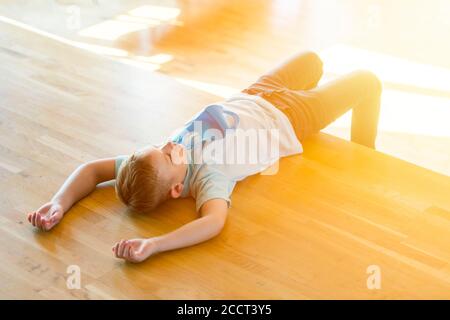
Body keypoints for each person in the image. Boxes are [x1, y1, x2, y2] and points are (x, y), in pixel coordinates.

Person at [27, 51, 382, 263]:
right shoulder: (210, 176)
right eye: (168, 155)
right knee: (368, 81)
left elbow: (91, 170)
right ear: (177, 188)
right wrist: (155, 244)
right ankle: (367, 157)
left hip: (253, 94)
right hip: (292, 116)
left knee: (312, 60)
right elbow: (213, 223)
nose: (168, 146)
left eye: (160, 147)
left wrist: (58, 203)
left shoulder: (152, 165)